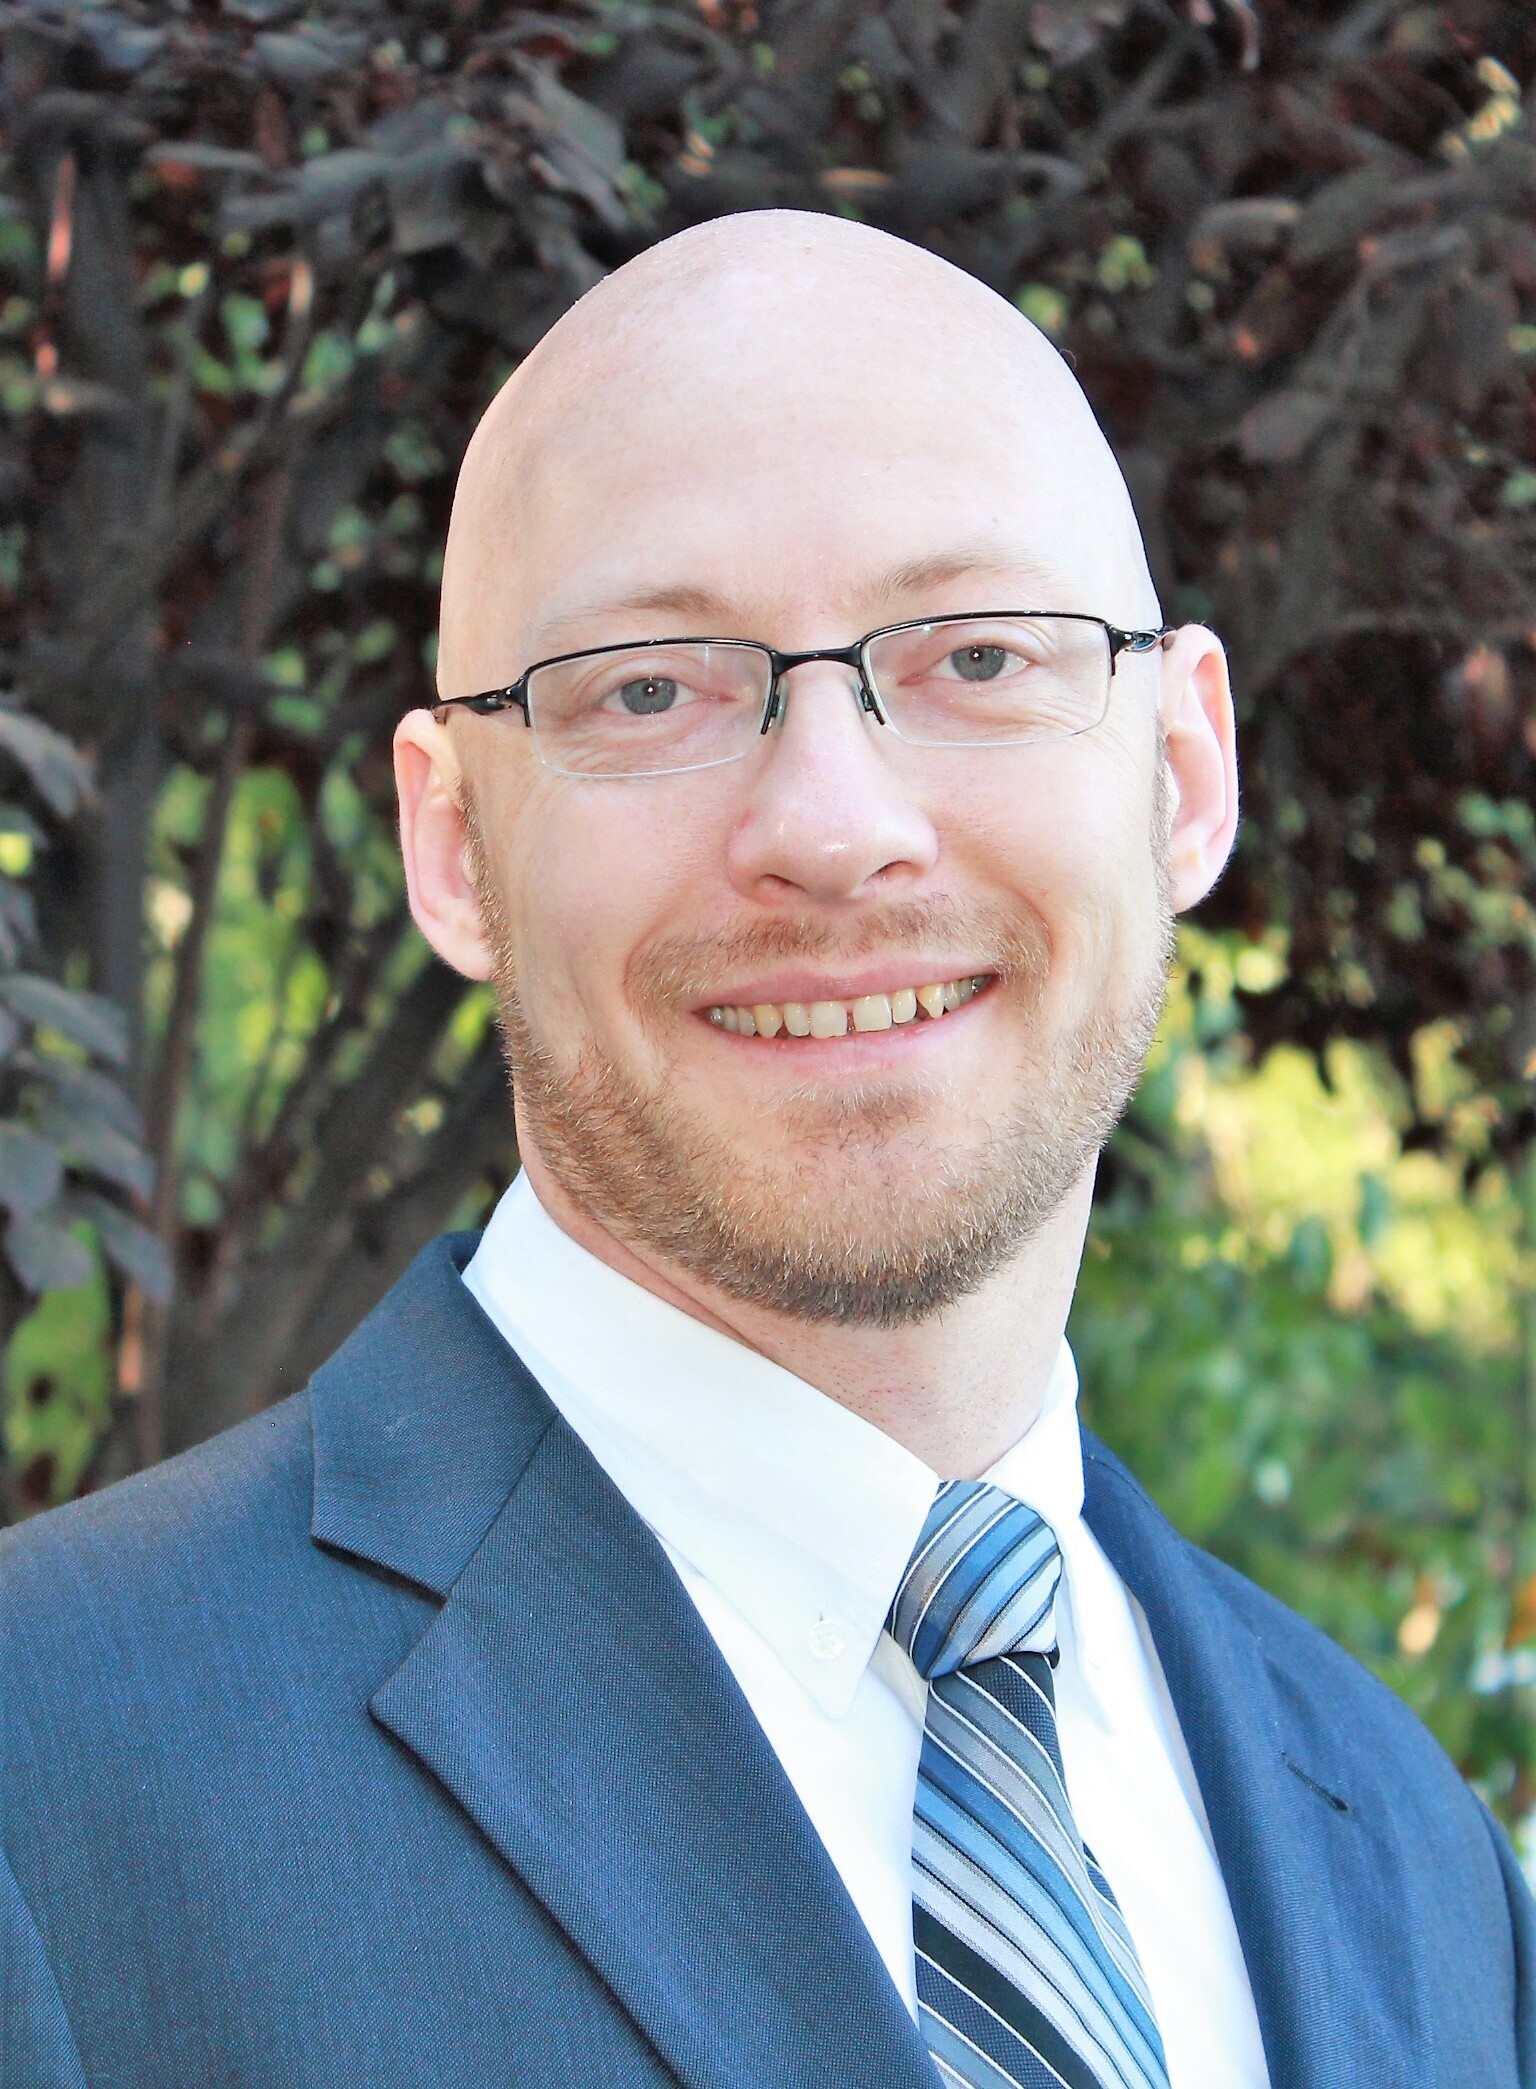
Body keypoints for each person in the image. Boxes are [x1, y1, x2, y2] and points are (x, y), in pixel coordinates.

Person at [1, 212, 1530, 2089]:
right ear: (456, 841)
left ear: (1184, 769)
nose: (835, 823)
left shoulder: (1411, 1848)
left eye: (980, 651)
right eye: (652, 686)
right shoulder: (46, 1775)